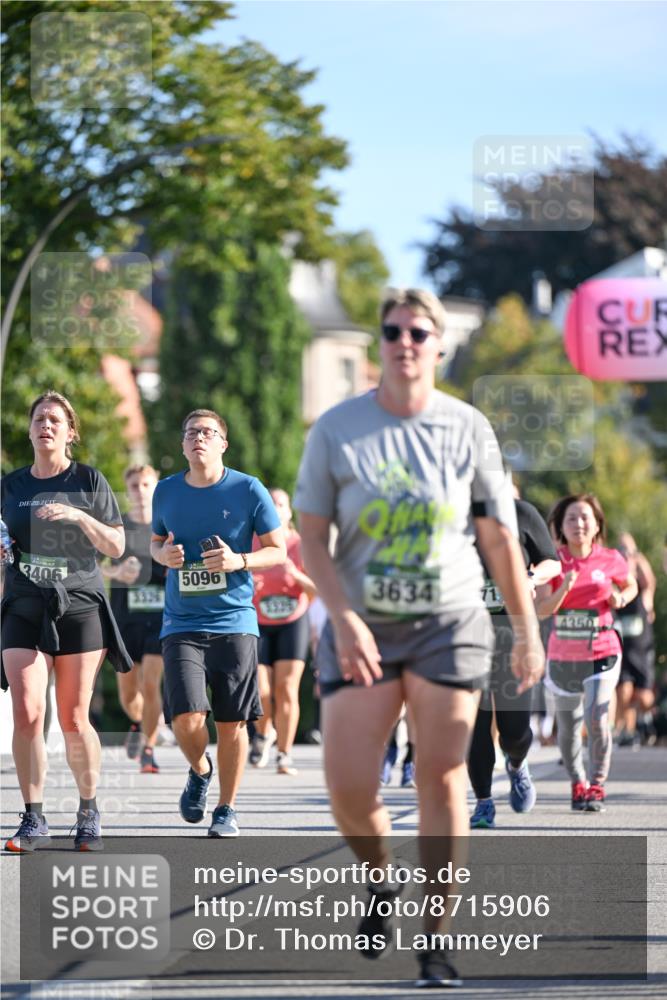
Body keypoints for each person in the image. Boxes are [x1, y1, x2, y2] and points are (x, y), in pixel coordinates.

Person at [295, 288, 544, 988]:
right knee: (349, 786)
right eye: (393, 331)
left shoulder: (467, 428)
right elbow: (310, 538)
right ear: (380, 342)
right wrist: (342, 618)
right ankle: (381, 878)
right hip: (364, 624)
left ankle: (437, 938)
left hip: (449, 621)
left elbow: (499, 539)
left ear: (437, 344)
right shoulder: (337, 429)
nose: (404, 342)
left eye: (418, 332)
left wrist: (526, 631)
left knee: (440, 774)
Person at [1, 390, 132, 852]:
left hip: (78, 604)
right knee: (27, 711)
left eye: (55, 420)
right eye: (39, 418)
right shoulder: (10, 486)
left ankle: (88, 811)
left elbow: (116, 546)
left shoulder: (88, 480)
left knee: (74, 718)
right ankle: (33, 817)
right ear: (29, 429)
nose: (46, 426)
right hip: (24, 603)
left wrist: (78, 516)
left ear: (70, 432)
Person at [150, 409, 285, 838]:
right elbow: (155, 541)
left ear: (223, 443)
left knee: (232, 722)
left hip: (234, 620)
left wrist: (238, 560)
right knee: (185, 718)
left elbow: (278, 549)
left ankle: (226, 808)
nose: (198, 438)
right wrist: (162, 555)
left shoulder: (248, 488)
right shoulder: (166, 491)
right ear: (182, 444)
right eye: (191, 432)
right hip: (181, 622)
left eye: (208, 432)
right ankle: (200, 769)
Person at [536, 494, 637, 813]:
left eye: (585, 518)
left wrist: (621, 597)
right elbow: (541, 609)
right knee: (568, 728)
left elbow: (631, 584)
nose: (578, 524)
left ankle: (596, 784)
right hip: (563, 656)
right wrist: (564, 588)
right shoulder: (553, 563)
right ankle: (577, 782)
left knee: (597, 715)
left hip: (602, 650)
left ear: (596, 526)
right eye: (571, 518)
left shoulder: (610, 558)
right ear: (560, 527)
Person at [467, 495, 560, 828]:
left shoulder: (519, 512)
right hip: (466, 636)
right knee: (474, 727)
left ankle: (517, 764)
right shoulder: (449, 512)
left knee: (514, 731)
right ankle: (483, 802)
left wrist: (530, 578)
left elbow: (552, 562)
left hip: (513, 637)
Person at [102, 464, 166, 773]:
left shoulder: (167, 525)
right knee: (129, 694)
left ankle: (148, 749)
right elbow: (94, 565)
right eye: (135, 486)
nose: (140, 491)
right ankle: (140, 723)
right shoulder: (118, 527)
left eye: (146, 485)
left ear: (155, 488)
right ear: (127, 491)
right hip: (125, 619)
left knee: (151, 684)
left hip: (161, 618)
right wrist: (117, 572)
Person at [250, 488, 316, 776]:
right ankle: (264, 733)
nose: (276, 508)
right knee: (261, 690)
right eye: (271, 503)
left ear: (289, 512)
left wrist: (296, 576)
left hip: (293, 621)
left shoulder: (301, 545)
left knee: (287, 689)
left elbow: (318, 590)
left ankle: (284, 754)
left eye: (281, 504)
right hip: (258, 622)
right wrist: (249, 585)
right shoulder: (254, 543)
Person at [614, 532, 656, 747]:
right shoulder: (616, 591)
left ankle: (645, 719)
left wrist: (636, 554)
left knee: (644, 697)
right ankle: (626, 731)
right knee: (623, 691)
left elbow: (650, 580)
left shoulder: (643, 593)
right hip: (622, 650)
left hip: (642, 651)